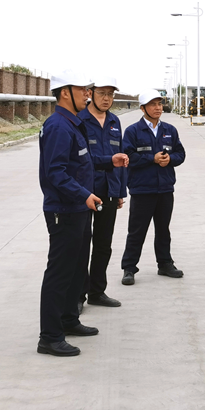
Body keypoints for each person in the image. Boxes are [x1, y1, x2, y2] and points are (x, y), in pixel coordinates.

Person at [37, 70, 101, 357]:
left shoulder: (72, 125)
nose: (88, 95)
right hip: (65, 211)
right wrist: (84, 195)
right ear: (65, 92)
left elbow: (81, 161)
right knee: (60, 272)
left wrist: (109, 161)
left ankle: (68, 320)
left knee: (76, 269)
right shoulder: (58, 127)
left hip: (78, 209)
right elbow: (56, 173)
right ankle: (49, 337)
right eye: (83, 90)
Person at [120, 90, 186, 284]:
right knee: (137, 231)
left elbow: (181, 154)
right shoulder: (133, 131)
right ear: (143, 108)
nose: (158, 108)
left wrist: (170, 159)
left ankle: (165, 264)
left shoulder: (170, 130)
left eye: (159, 104)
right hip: (142, 189)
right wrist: (152, 159)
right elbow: (128, 157)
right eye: (153, 104)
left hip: (165, 189)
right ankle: (129, 268)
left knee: (163, 230)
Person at [77, 76, 129, 310]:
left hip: (109, 191)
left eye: (111, 94)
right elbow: (82, 160)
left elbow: (123, 158)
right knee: (80, 245)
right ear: (90, 93)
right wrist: (110, 161)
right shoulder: (79, 121)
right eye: (102, 94)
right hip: (86, 193)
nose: (107, 99)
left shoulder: (115, 121)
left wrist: (120, 191)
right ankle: (77, 296)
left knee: (103, 244)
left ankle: (97, 292)